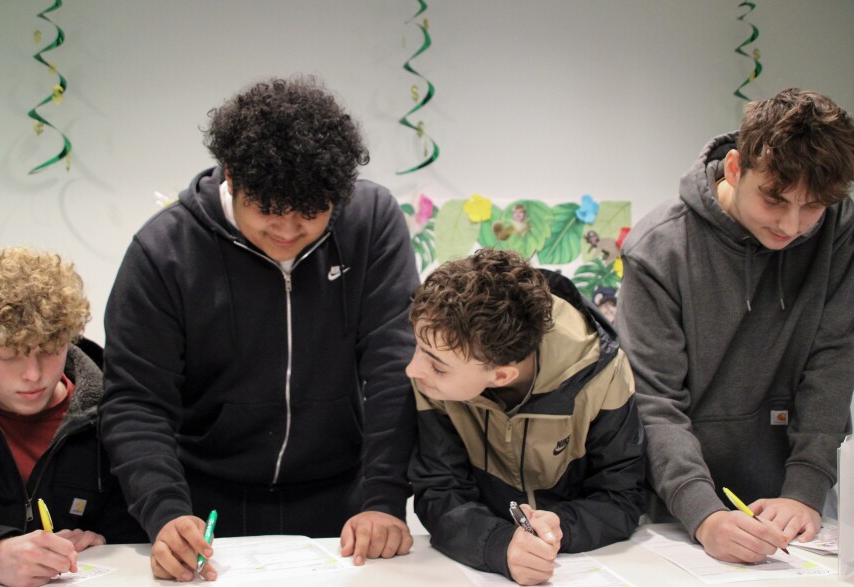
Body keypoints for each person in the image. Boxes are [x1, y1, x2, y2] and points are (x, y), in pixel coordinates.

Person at [99, 76, 420, 582]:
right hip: (204, 506)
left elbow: (393, 366)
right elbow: (136, 400)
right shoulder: (165, 251)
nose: (288, 231)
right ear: (231, 176)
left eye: (311, 213)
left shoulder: (372, 223)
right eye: (268, 210)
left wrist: (384, 497)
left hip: (341, 501)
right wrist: (164, 512)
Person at [615, 88, 854, 564]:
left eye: (811, 207)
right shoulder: (659, 249)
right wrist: (703, 514)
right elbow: (654, 402)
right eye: (774, 199)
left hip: (798, 510)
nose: (791, 224)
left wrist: (805, 488)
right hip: (678, 510)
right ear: (734, 168)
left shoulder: (838, 230)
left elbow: (832, 363)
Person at [406, 249, 645, 586]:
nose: (412, 369)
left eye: (437, 366)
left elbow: (622, 497)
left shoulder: (602, 374)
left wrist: (559, 527)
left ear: (501, 376)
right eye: (417, 347)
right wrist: (498, 544)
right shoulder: (434, 376)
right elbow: (438, 492)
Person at [0, 247, 146, 587]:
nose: (33, 375)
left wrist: (106, 543)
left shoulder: (115, 411)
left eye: (49, 351)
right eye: (10, 356)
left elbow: (138, 526)